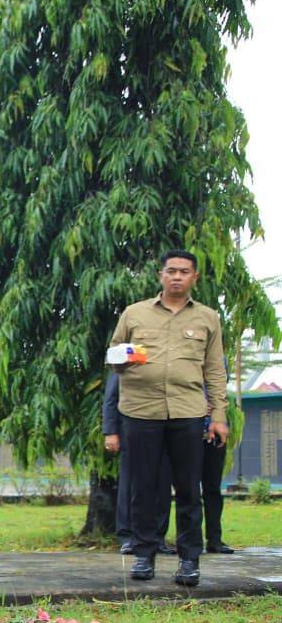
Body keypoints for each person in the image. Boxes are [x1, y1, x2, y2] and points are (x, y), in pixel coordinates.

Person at [111, 249, 228, 587]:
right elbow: (114, 355)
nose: (177, 276)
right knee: (143, 487)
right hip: (140, 411)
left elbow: (214, 370)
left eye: (184, 271)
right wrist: (123, 359)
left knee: (189, 489)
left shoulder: (208, 318)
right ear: (161, 275)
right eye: (171, 270)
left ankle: (189, 560)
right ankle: (144, 555)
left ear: (194, 277)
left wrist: (218, 415)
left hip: (188, 412)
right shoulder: (134, 313)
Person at [103, 372, 173, 555]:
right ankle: (128, 537)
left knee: (163, 485)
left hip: (166, 427)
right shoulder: (128, 357)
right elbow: (111, 397)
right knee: (129, 484)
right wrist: (110, 431)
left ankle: (158, 537)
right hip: (132, 428)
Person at [201, 395, 234, 553]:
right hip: (187, 431)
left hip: (215, 432)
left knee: (213, 488)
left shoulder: (218, 378)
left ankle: (214, 540)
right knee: (187, 490)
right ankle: (189, 540)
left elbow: (220, 397)